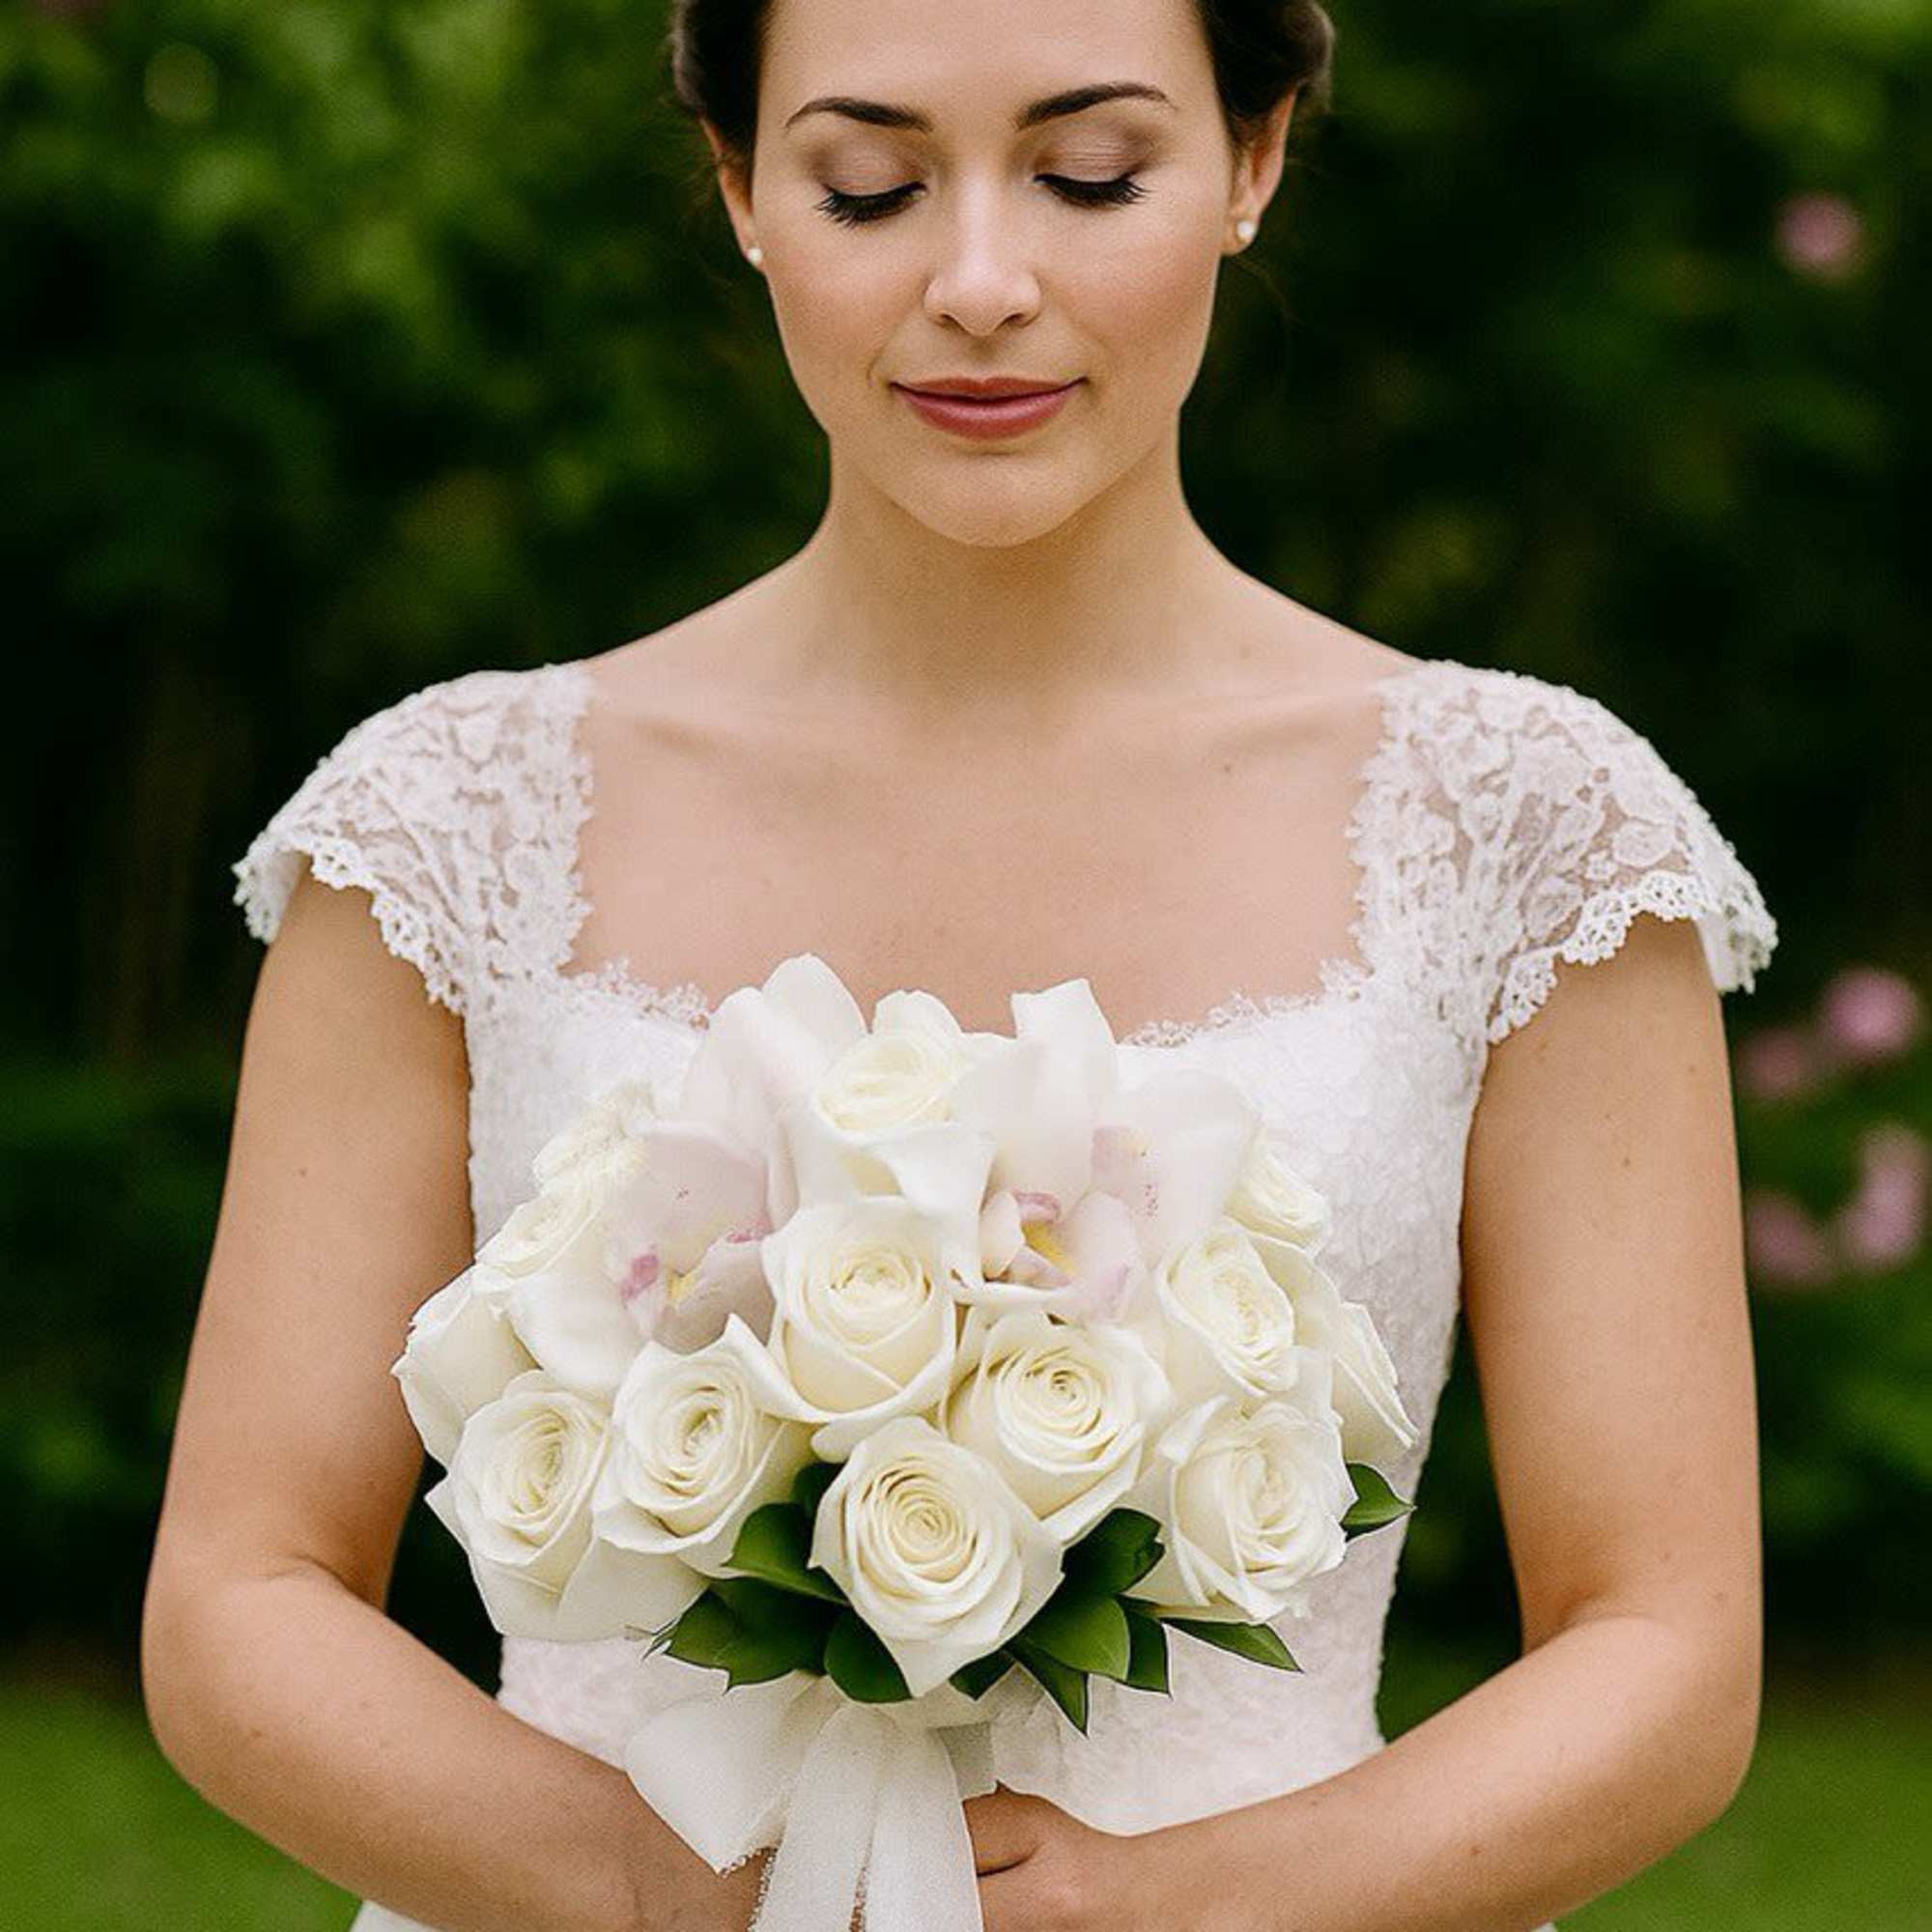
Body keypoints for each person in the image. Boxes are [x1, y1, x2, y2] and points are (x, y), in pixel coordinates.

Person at [140, 1, 1779, 1928]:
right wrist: (675, 1894)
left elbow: (1663, 1644)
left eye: (1088, 173)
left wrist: (1163, 1908)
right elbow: (241, 1595)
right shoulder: (454, 819)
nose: (981, 281)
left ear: (1252, 159)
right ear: (742, 186)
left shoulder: (1525, 826)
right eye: (870, 185)